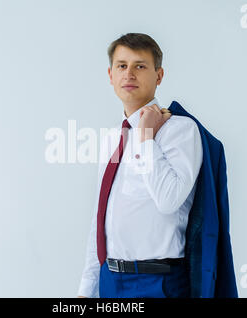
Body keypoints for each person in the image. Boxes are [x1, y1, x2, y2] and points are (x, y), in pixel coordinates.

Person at [77, 33, 203, 298]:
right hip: (110, 280)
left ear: (159, 76)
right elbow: (102, 217)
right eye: (122, 66)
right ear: (111, 75)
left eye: (140, 65)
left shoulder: (180, 130)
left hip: (158, 281)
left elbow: (169, 200)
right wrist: (86, 289)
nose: (129, 74)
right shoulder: (113, 137)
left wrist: (145, 138)